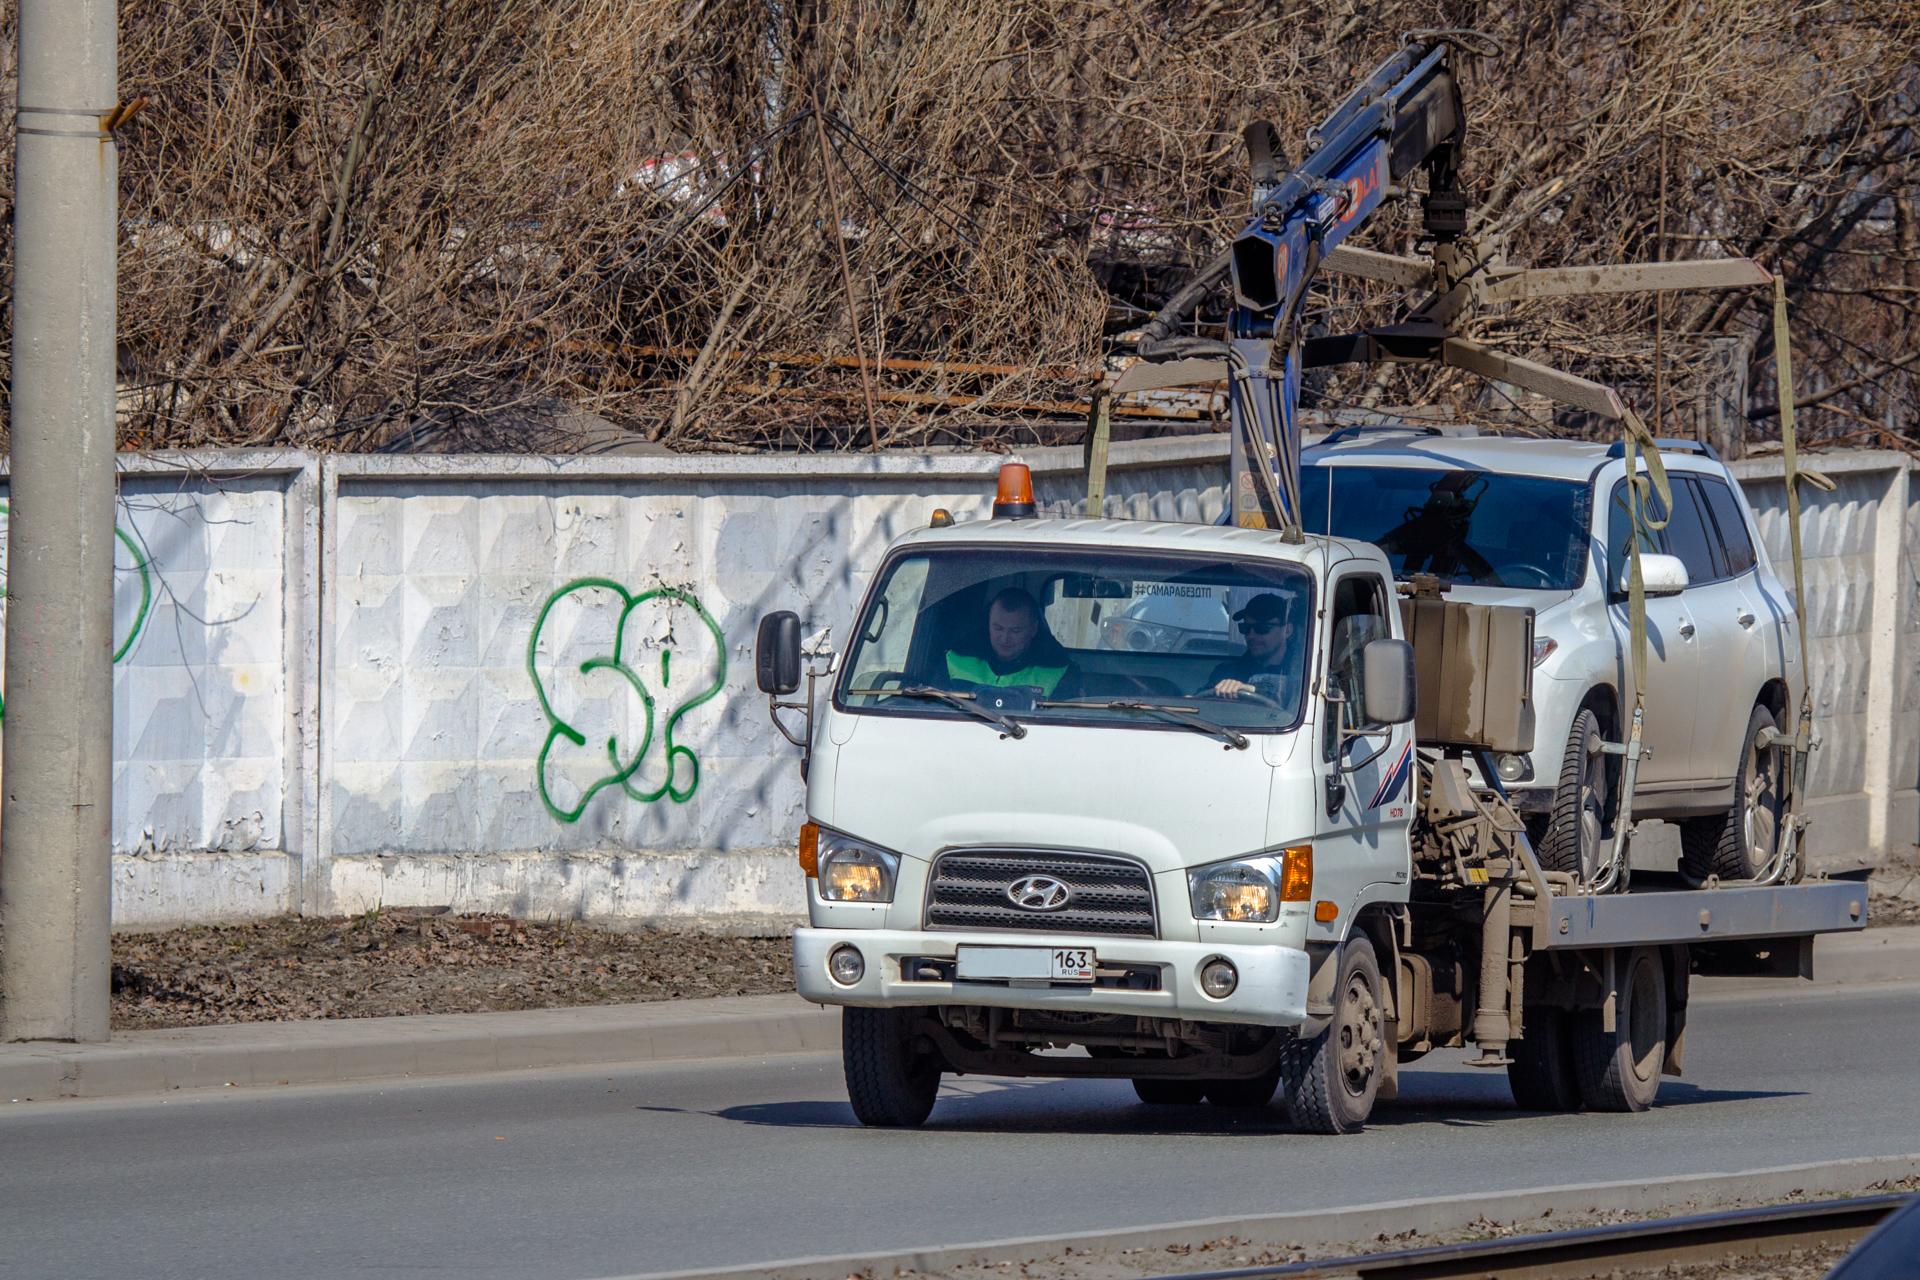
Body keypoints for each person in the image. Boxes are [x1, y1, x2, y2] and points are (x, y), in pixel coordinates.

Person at [944, 587, 1075, 696]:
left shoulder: (1058, 672)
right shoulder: (955, 659)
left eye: (1016, 630)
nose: (1005, 638)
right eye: (998, 628)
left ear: (1033, 629)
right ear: (988, 624)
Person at [1202, 592, 1300, 704]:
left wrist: (1253, 689)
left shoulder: (1301, 671)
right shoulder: (1226, 672)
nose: (1251, 635)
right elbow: (1198, 701)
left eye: (1262, 628)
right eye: (1246, 628)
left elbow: (1296, 690)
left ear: (1287, 630)